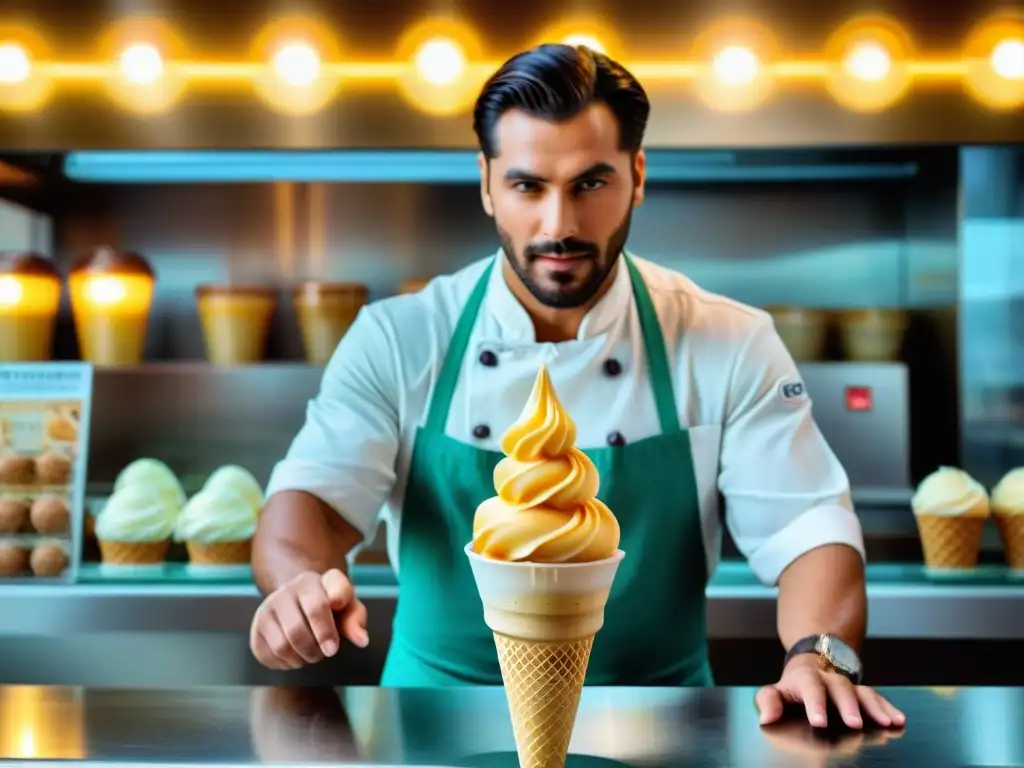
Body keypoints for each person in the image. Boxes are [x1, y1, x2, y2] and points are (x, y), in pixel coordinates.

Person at [249, 43, 906, 731]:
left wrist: (821, 655)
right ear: (486, 184)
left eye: (590, 184)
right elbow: (313, 502)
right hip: (432, 726)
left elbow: (806, 527)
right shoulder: (401, 338)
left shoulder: (726, 341)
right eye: (528, 186)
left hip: (665, 726)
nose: (558, 225)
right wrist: (299, 584)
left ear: (638, 175)